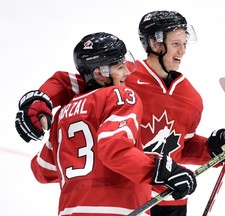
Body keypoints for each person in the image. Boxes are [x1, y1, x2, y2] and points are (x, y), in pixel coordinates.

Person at [15, 11, 225, 216]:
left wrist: (213, 148)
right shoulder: (122, 80)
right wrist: (39, 99)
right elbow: (68, 83)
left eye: (185, 43)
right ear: (156, 44)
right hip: (128, 192)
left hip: (170, 194)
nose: (183, 51)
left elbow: (180, 146)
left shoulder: (192, 98)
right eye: (176, 44)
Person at [16, 32, 197, 216]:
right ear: (99, 73)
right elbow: (114, 149)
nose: (127, 72)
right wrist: (159, 170)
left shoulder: (64, 112)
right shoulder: (121, 95)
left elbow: (43, 170)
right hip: (120, 210)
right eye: (120, 67)